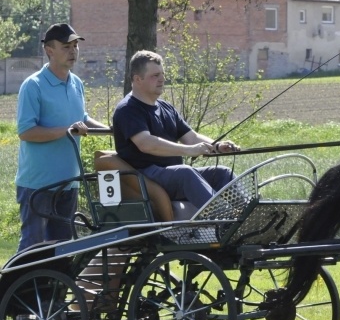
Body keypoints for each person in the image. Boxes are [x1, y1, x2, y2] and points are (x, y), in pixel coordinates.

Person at [15, 23, 109, 252]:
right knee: (33, 248)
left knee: (62, 249)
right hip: (37, 185)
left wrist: (112, 130)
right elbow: (26, 132)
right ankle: (14, 289)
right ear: (49, 50)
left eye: (75, 45)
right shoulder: (33, 86)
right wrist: (68, 130)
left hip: (69, 182)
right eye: (66, 46)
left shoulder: (76, 83)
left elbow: (82, 119)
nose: (73, 51)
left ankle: (51, 289)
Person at [112, 50, 239, 211]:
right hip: (145, 177)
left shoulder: (166, 108)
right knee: (185, 173)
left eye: (162, 74)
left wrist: (217, 146)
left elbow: (191, 138)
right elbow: (146, 144)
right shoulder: (127, 109)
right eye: (155, 75)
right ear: (138, 79)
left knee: (223, 173)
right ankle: (228, 222)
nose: (162, 79)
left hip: (171, 175)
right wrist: (189, 151)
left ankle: (253, 217)